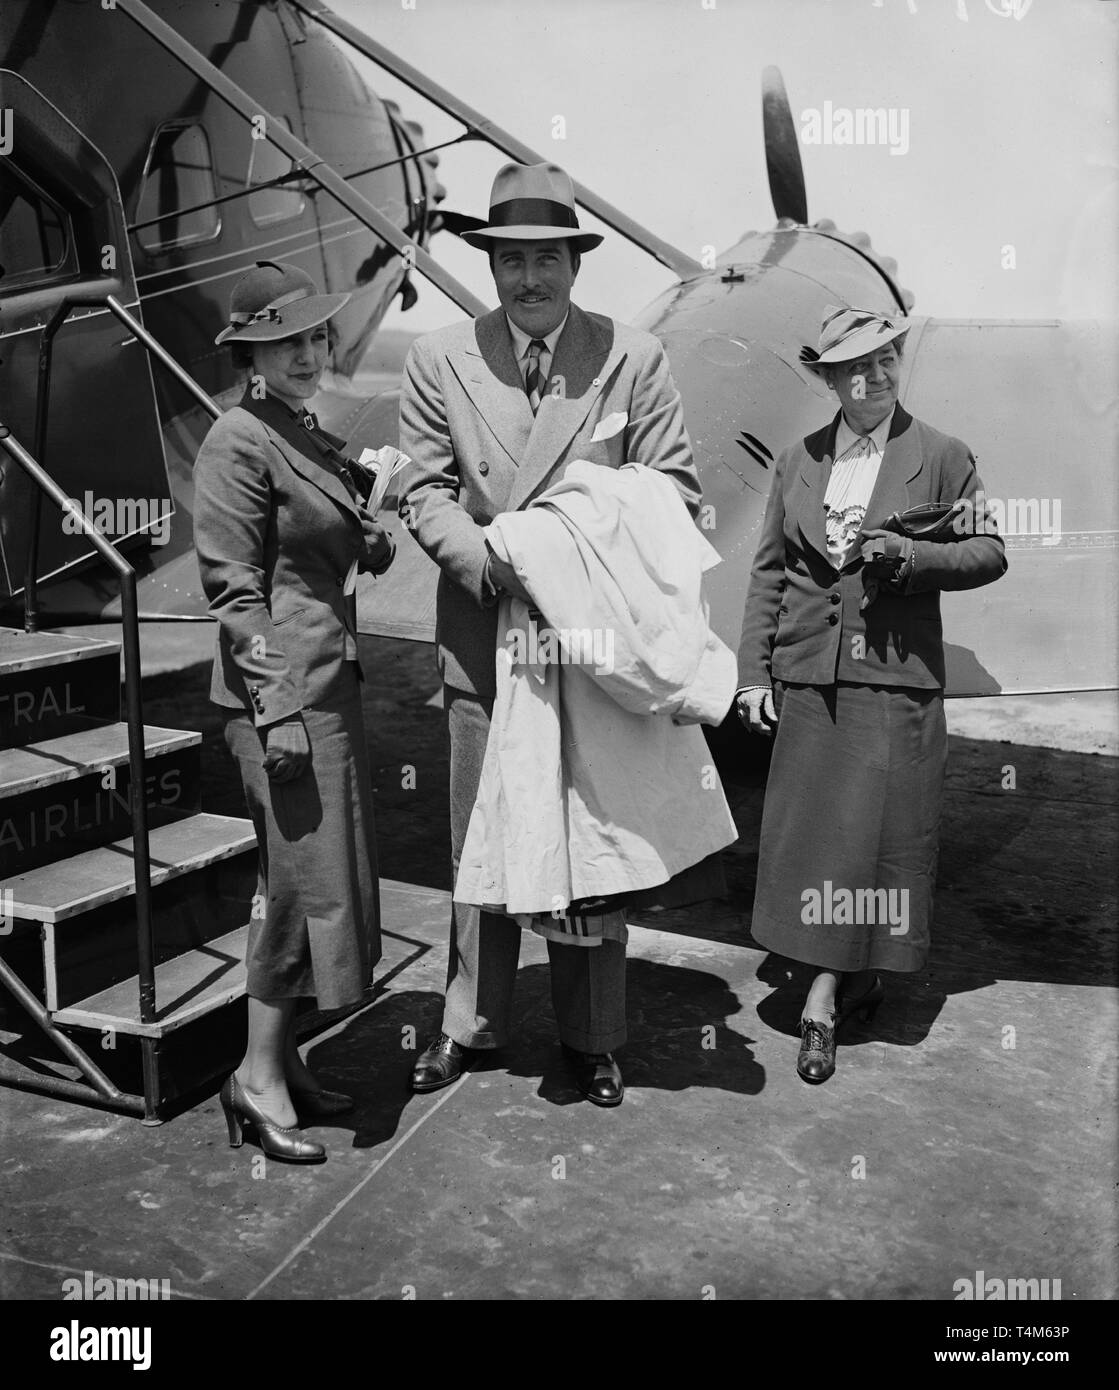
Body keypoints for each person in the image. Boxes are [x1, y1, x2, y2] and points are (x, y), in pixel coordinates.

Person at [398, 162, 703, 1107]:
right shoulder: (438, 359)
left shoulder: (633, 357)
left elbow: (677, 492)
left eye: (547, 260)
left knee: (591, 837)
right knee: (479, 837)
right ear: (490, 267)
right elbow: (418, 484)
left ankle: (591, 1037)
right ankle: (471, 1023)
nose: (530, 279)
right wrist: (486, 559)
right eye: (511, 261)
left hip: (590, 648)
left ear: (574, 263)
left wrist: (566, 544)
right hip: (483, 623)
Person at [735, 304, 1007, 1083]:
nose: (875, 375)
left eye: (886, 357)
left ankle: (822, 997)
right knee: (816, 840)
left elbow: (989, 550)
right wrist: (754, 672)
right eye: (854, 365)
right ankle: (848, 977)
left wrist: (914, 557)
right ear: (826, 377)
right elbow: (766, 572)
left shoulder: (943, 455)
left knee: (875, 844)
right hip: (811, 677)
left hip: (893, 684)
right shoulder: (796, 460)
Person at [194, 260, 394, 1161]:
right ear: (252, 354)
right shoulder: (237, 440)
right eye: (287, 341)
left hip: (327, 695)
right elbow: (236, 598)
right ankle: (255, 1080)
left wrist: (376, 525)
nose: (310, 353)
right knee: (293, 895)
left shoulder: (297, 429)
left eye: (316, 336)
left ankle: (286, 1065)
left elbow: (334, 547)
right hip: (283, 704)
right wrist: (276, 717)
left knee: (318, 888)